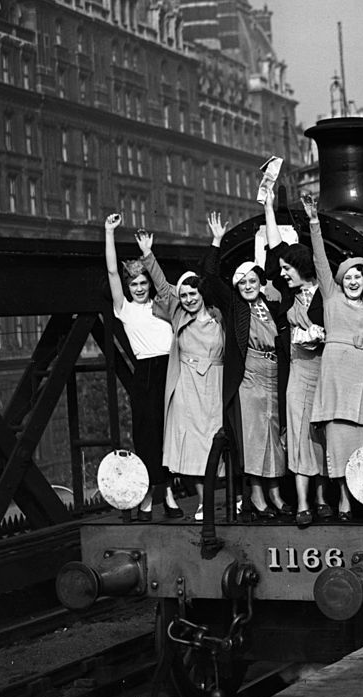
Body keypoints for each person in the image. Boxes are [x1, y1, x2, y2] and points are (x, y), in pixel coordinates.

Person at [202, 212, 290, 520]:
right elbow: (210, 280)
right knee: (253, 437)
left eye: (253, 280)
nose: (249, 286)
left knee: (274, 434)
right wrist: (216, 240)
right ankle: (257, 495)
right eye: (243, 282)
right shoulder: (234, 305)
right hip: (249, 375)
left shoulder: (271, 304)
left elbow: (284, 270)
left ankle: (276, 493)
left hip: (273, 372)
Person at [303, 194, 363, 521]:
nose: (353, 280)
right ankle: (346, 502)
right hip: (337, 379)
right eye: (348, 276)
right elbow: (321, 260)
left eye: (358, 277)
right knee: (338, 442)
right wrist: (314, 222)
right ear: (340, 280)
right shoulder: (332, 298)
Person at [103, 215, 181, 520]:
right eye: (133, 283)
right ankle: (148, 497)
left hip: (171, 370)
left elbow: (166, 286)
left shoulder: (162, 304)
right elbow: (111, 270)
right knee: (146, 436)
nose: (138, 287)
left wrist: (150, 255)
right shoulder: (125, 309)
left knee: (170, 435)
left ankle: (171, 496)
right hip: (145, 374)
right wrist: (109, 232)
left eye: (142, 282)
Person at [143, 242, 225, 522]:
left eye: (193, 293)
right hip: (185, 387)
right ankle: (204, 502)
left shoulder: (218, 316)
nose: (189, 299)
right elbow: (163, 288)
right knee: (190, 448)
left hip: (213, 384)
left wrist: (216, 243)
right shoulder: (178, 313)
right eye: (185, 295)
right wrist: (148, 255)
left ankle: (220, 496)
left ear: (202, 293)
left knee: (213, 444)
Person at [262, 190, 330, 525]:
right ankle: (304, 502)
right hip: (299, 372)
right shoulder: (286, 295)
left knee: (323, 436)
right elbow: (275, 252)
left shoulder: (326, 292)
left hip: (326, 370)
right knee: (301, 435)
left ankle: (322, 497)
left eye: (289, 268)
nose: (283, 273)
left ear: (302, 267)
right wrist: (267, 207)